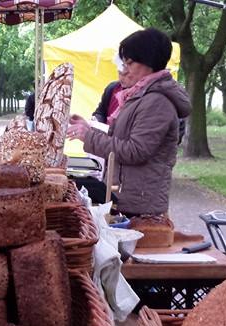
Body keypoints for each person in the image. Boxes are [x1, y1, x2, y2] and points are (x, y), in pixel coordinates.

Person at [68, 28, 190, 217]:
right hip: (129, 197)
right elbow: (121, 139)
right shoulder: (140, 96)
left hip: (141, 206)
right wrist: (89, 129)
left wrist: (88, 137)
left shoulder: (157, 102)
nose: (124, 69)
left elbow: (135, 151)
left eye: (130, 63)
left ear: (149, 62)